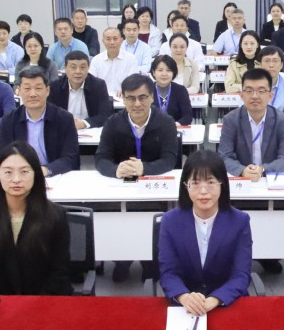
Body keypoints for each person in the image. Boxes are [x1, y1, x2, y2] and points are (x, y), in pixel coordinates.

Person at [96, 73, 181, 282]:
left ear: (152, 97)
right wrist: (116, 170)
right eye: (130, 98)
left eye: (142, 97)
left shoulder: (166, 122)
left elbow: (170, 159)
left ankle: (150, 262)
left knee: (150, 218)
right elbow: (101, 158)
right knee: (118, 218)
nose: (136, 104)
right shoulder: (113, 123)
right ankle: (122, 260)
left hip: (154, 187)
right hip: (121, 187)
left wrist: (145, 168)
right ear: (123, 99)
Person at [158, 150, 253, 313]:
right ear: (186, 186)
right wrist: (185, 298)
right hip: (185, 308)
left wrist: (214, 300)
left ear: (222, 184)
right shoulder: (170, 221)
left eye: (210, 182)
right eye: (195, 183)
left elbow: (241, 274)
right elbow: (168, 273)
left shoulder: (240, 221)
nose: (203, 191)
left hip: (226, 303)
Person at [0, 142, 72, 296]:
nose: (16, 179)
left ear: (35, 174)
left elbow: (59, 271)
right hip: (3, 301)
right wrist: (5, 303)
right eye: (8, 172)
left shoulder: (56, 216)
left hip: (47, 300)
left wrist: (33, 304)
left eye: (24, 172)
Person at [0, 66, 79, 176]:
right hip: (20, 177)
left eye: (38, 88)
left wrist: (46, 170)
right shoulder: (9, 120)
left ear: (47, 90)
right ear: (19, 91)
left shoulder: (64, 119)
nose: (33, 94)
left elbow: (71, 158)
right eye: (27, 89)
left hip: (53, 175)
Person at [218, 68, 284, 182]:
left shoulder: (282, 120)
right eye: (249, 91)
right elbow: (224, 156)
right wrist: (242, 170)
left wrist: (262, 169)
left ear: (270, 96)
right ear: (242, 95)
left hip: (269, 178)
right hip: (241, 179)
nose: (254, 96)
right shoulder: (231, 120)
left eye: (261, 91)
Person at [48, 51, 114, 129]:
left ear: (88, 68)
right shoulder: (55, 86)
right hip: (63, 129)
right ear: (65, 68)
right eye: (73, 67)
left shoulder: (98, 85)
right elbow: (50, 114)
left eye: (82, 67)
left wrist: (84, 123)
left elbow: (105, 115)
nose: (78, 71)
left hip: (90, 130)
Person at [91, 27, 139, 93]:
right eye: (108, 39)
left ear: (121, 40)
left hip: (124, 96)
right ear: (103, 41)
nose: (112, 42)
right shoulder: (96, 60)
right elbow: (92, 82)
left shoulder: (131, 59)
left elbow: (133, 81)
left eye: (115, 39)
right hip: (102, 96)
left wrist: (124, 91)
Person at [150, 55, 193, 126]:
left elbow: (188, 116)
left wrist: (175, 125)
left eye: (168, 70)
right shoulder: (147, 90)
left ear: (173, 73)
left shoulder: (180, 90)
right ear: (153, 72)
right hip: (151, 130)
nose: (164, 74)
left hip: (175, 129)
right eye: (160, 70)